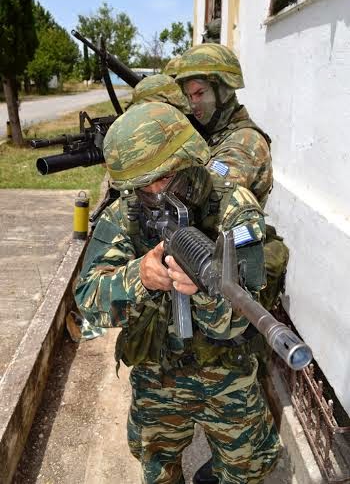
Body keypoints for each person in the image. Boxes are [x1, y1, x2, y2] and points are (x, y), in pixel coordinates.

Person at [75, 102, 280, 484]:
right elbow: (88, 301)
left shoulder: (232, 207)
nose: (154, 191)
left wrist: (204, 291)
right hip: (158, 375)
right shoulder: (126, 212)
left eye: (166, 177)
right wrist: (140, 275)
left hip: (227, 372)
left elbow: (237, 318)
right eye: (143, 184)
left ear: (190, 159)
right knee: (157, 469)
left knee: (246, 470)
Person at [175, 43, 273, 209]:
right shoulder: (214, 133)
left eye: (199, 93)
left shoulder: (246, 141)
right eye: (189, 96)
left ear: (224, 90)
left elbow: (209, 194)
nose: (193, 104)